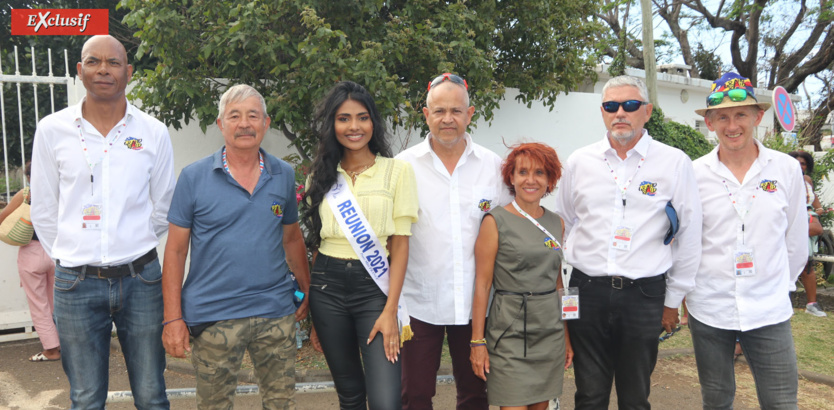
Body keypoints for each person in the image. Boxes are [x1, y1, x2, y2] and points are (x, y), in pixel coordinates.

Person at [30, 35, 174, 409]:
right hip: (75, 284)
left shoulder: (152, 132)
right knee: (86, 398)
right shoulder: (52, 130)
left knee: (152, 394)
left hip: (141, 279)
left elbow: (164, 205)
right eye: (94, 62)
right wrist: (74, 252)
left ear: (128, 72)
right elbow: (44, 210)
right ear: (80, 71)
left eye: (113, 63)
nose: (103, 70)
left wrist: (133, 240)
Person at [554, 75, 702, 409]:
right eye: (611, 106)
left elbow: (689, 233)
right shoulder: (580, 161)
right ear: (603, 112)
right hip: (587, 290)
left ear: (647, 111)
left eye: (630, 105)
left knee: (635, 396)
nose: (620, 112)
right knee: (589, 394)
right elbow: (566, 220)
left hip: (644, 294)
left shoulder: (673, 161)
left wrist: (673, 299)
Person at [162, 84, 310, 409]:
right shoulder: (193, 177)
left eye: (252, 115)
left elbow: (292, 237)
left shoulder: (283, 175)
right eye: (235, 116)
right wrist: (172, 318)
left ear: (266, 123)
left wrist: (306, 288)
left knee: (282, 404)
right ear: (220, 124)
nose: (244, 124)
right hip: (214, 317)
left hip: (275, 313)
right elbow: (174, 251)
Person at [689, 72, 806, 409]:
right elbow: (687, 241)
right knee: (717, 400)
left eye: (741, 114)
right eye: (722, 116)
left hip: (768, 309)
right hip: (710, 307)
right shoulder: (694, 174)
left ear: (758, 117)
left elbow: (796, 241)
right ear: (710, 123)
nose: (732, 125)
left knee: (781, 401)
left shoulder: (785, 169)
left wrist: (777, 287)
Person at [396, 73, 512, 410]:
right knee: (414, 396)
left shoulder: (493, 167)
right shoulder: (403, 167)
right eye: (440, 111)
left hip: (477, 305)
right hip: (419, 302)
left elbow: (511, 226)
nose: (448, 119)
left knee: (476, 394)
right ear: (425, 114)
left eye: (456, 111)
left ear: (470, 113)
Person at [303, 81, 417, 409]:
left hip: (375, 291)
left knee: (386, 401)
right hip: (327, 288)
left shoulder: (397, 172)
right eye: (343, 118)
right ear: (332, 125)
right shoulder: (321, 176)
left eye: (362, 117)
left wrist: (390, 310)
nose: (354, 126)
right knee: (350, 395)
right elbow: (316, 241)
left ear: (373, 122)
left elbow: (401, 245)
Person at [470, 143, 572, 410]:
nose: (530, 180)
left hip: (549, 333)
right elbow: (482, 284)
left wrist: (567, 336)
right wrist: (477, 341)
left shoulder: (557, 223)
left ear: (550, 180)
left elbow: (559, 283)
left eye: (539, 173)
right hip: (510, 333)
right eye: (523, 172)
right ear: (511, 177)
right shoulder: (495, 221)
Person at [0, 162, 60, 362]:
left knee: (38, 303)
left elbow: (3, 218)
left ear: (28, 177)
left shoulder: (26, 194)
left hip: (31, 252)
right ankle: (66, 344)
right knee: (58, 302)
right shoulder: (60, 193)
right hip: (56, 251)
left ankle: (51, 350)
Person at [788, 150, 827, 317]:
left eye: (803, 163)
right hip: (792, 222)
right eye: (796, 162)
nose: (800, 166)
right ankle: (784, 303)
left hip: (808, 221)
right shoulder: (785, 179)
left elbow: (816, 203)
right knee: (786, 264)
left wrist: (817, 211)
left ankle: (812, 304)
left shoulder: (807, 181)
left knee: (807, 264)